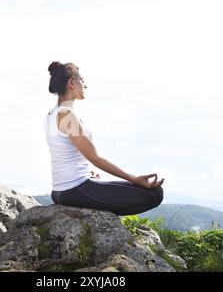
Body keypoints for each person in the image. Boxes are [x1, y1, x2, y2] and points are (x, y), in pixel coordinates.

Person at [44, 61, 164, 216]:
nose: (85, 86)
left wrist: (86, 172)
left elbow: (66, 152)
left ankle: (102, 216)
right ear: (72, 83)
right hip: (75, 189)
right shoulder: (67, 115)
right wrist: (134, 178)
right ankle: (103, 218)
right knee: (155, 194)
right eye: (82, 81)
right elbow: (95, 157)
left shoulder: (50, 115)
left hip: (60, 190)